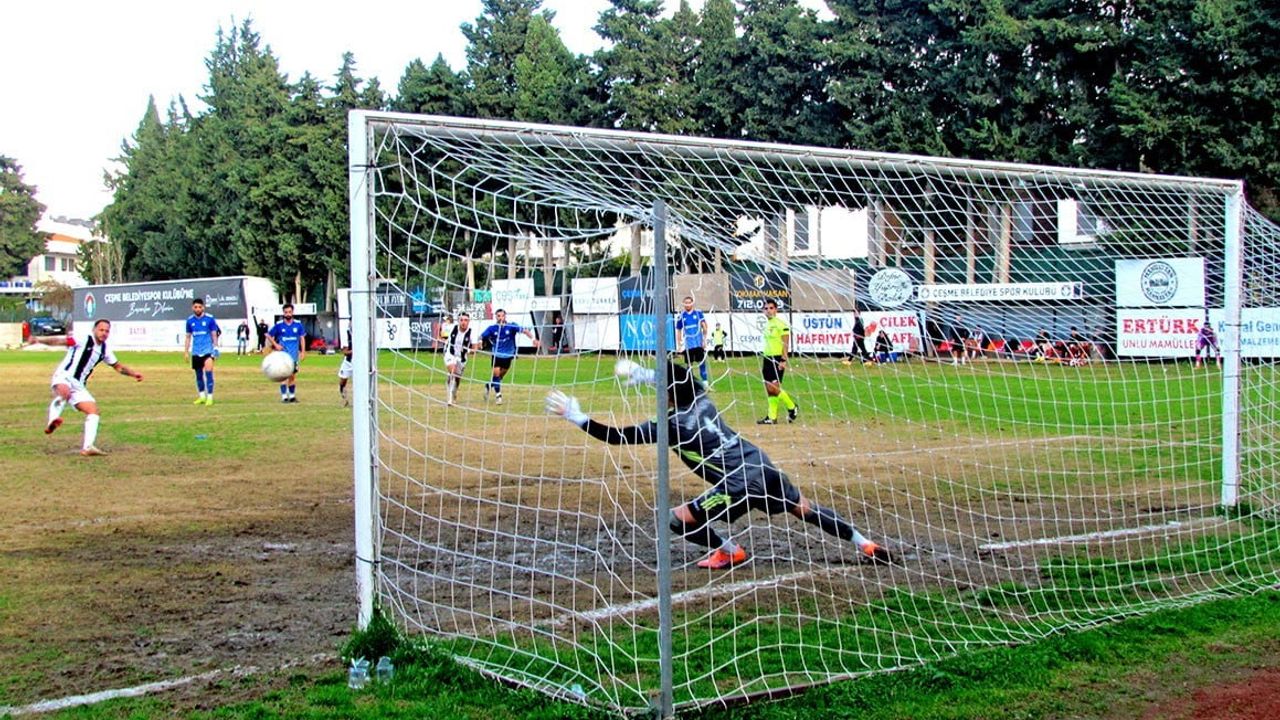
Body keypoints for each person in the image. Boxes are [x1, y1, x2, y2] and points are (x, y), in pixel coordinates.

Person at [545, 360, 893, 569]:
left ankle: (730, 552)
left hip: (737, 483)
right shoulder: (703, 401)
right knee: (804, 508)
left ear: (667, 393)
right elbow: (687, 382)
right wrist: (650, 374)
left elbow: (616, 437)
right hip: (761, 463)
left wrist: (577, 417)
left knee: (677, 518)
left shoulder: (670, 425)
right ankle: (864, 543)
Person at [44, 319, 144, 456]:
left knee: (93, 411)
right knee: (64, 393)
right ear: (94, 330)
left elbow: (118, 367)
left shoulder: (105, 349)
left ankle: (88, 447)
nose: (104, 333)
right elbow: (61, 341)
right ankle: (52, 420)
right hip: (64, 376)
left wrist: (134, 374)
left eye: (107, 331)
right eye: (101, 330)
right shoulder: (83, 339)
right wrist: (38, 339)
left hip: (78, 385)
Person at [478, 308, 538, 405]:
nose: (500, 317)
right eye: (498, 316)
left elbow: (525, 331)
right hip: (496, 354)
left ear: (505, 316)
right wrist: (480, 341)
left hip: (508, 355)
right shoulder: (492, 328)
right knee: (496, 374)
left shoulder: (511, 326)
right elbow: (481, 336)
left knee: (500, 377)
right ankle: (498, 395)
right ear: (496, 317)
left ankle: (489, 385)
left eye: (502, 315)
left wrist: (533, 339)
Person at [758, 299, 798, 425]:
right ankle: (772, 417)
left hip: (777, 358)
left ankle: (792, 407)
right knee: (769, 389)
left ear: (776, 310)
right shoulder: (767, 324)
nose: (768, 311)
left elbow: (785, 343)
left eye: (771, 308)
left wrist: (783, 360)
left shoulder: (781, 324)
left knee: (774, 388)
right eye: (766, 308)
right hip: (767, 358)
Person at [184, 298, 222, 406]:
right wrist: (186, 351)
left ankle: (210, 397)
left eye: (199, 307)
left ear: (203, 307)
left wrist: (216, 347)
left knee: (209, 372)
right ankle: (202, 397)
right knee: (198, 376)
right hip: (196, 351)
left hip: (208, 350)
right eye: (195, 307)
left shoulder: (210, 319)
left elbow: (214, 334)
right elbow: (188, 337)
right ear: (192, 308)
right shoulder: (190, 321)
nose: (197, 309)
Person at [267, 304, 307, 403]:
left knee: (292, 376)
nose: (288, 314)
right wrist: (276, 345)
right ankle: (284, 397)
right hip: (283, 356)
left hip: (294, 356)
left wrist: (303, 351)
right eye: (286, 312)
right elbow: (268, 335)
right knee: (284, 375)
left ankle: (292, 396)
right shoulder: (279, 325)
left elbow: (302, 338)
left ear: (293, 312)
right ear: (283, 313)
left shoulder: (298, 325)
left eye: (290, 312)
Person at [442, 312, 474, 405]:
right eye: (461, 320)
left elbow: (475, 348)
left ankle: (454, 393)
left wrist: (469, 350)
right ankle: (450, 399)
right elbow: (441, 335)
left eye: (466, 320)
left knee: (457, 378)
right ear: (458, 321)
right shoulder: (452, 328)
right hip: (450, 354)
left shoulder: (472, 332)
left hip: (462, 358)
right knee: (452, 372)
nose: (463, 322)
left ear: (469, 321)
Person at [676, 296, 709, 382]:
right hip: (688, 345)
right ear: (683, 304)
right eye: (686, 303)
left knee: (702, 363)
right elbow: (678, 330)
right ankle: (690, 383)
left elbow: (704, 326)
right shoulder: (682, 316)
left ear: (692, 303)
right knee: (689, 365)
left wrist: (704, 340)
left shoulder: (698, 313)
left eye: (689, 302)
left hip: (698, 344)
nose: (687, 304)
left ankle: (705, 383)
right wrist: (679, 344)